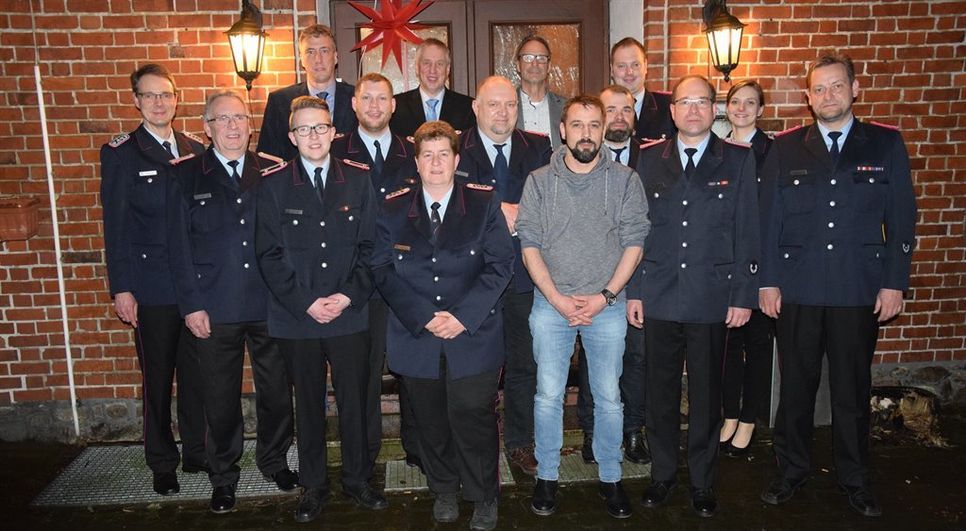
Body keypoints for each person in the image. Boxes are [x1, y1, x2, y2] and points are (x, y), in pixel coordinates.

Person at [758, 50, 917, 518]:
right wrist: (767, 281)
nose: (828, 95)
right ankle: (791, 471)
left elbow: (902, 218)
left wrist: (894, 283)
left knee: (852, 391)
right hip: (798, 288)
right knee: (796, 389)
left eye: (837, 86)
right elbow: (768, 221)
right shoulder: (786, 148)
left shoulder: (884, 144)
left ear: (854, 89)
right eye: (819, 88)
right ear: (808, 97)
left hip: (856, 288)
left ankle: (855, 478)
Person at [372, 121, 514, 531]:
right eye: (427, 155)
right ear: (416, 162)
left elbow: (500, 264)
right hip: (416, 334)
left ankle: (483, 495)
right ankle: (445, 489)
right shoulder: (392, 207)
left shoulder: (483, 203)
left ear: (456, 160)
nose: (436, 163)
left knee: (473, 415)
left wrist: (461, 317)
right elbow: (381, 268)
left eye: (443, 155)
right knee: (429, 419)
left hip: (474, 333)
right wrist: (424, 317)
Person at [630, 75, 760, 519]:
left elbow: (748, 230)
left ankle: (703, 481)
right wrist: (635, 291)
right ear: (672, 111)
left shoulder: (737, 159)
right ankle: (663, 474)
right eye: (684, 102)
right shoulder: (649, 158)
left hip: (711, 296)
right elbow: (637, 230)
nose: (692, 110)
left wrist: (743, 295)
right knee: (660, 394)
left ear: (713, 109)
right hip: (660, 294)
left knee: (706, 397)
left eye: (701, 102)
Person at [255, 96, 387, 523]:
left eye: (321, 127)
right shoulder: (273, 184)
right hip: (298, 316)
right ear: (291, 136)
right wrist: (307, 302)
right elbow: (268, 254)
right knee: (308, 404)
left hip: (348, 313)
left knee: (355, 400)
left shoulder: (358, 179)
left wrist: (347, 296)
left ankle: (357, 479)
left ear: (333, 132)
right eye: (304, 129)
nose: (313, 136)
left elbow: (371, 247)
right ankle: (313, 485)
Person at [517, 95, 649, 519]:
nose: (586, 134)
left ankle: (611, 477)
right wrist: (557, 299)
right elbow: (529, 246)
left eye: (594, 125)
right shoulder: (539, 182)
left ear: (603, 129)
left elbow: (634, 244)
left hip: (606, 307)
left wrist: (604, 297)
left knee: (609, 397)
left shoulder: (626, 180)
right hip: (550, 306)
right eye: (577, 125)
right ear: (563, 130)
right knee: (547, 396)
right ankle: (547, 476)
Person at [167, 90, 297, 514]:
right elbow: (178, 247)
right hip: (214, 305)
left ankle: (275, 461)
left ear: (250, 125)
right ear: (207, 129)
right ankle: (223, 476)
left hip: (269, 302)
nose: (233, 126)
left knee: (277, 391)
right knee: (220, 398)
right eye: (222, 120)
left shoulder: (274, 170)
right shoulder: (187, 175)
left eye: (239, 118)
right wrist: (191, 305)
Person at [99, 63, 207, 496]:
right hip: (152, 286)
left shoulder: (195, 149)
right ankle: (162, 462)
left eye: (166, 94)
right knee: (158, 380)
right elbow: (116, 226)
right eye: (150, 95)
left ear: (176, 99)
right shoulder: (122, 153)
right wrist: (122, 287)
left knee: (197, 376)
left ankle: (198, 451)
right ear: (136, 101)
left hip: (194, 287)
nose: (159, 102)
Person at [456, 75, 552, 476]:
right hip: (473, 278)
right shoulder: (456, 147)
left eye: (510, 104)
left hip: (525, 276)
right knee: (473, 369)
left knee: (523, 365)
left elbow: (552, 198)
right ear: (476, 107)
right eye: (493, 104)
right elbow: (452, 198)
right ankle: (473, 448)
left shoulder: (539, 146)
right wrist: (498, 207)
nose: (502, 112)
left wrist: (521, 212)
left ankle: (519, 443)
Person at [329, 72, 420, 473]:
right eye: (367, 98)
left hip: (405, 281)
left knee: (413, 370)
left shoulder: (413, 151)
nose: (374, 106)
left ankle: (418, 448)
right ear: (354, 104)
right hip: (357, 282)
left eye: (382, 99)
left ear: (393, 105)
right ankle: (363, 459)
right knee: (361, 377)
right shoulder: (334, 150)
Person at [575, 84, 650, 465]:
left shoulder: (654, 157)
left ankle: (633, 430)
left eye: (626, 109)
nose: (619, 116)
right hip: (596, 281)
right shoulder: (582, 158)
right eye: (611, 110)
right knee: (593, 359)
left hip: (641, 276)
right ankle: (591, 432)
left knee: (636, 358)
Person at [719, 79, 774, 457]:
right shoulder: (718, 148)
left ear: (761, 110)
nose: (741, 109)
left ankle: (750, 419)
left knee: (756, 346)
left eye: (750, 103)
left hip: (760, 262)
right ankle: (729, 414)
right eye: (736, 101)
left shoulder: (773, 152)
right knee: (727, 346)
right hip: (725, 262)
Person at [257, 24, 357, 161]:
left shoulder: (358, 98)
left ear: (335, 57)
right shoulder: (280, 102)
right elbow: (267, 157)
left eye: (324, 51)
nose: (318, 59)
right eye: (310, 52)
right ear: (301, 60)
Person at [389, 38, 476, 138]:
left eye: (439, 64)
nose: (433, 70)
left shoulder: (467, 108)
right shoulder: (395, 107)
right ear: (417, 68)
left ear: (447, 69)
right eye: (427, 63)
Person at [609, 37, 675, 142]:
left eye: (635, 65)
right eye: (621, 66)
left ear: (645, 66)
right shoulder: (599, 110)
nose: (629, 72)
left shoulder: (669, 106)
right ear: (612, 70)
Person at [513, 35, 567, 148]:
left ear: (549, 66)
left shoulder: (566, 107)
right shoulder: (506, 107)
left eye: (541, 58)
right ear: (518, 65)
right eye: (528, 58)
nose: (535, 64)